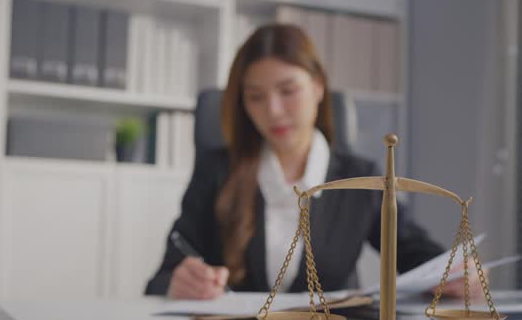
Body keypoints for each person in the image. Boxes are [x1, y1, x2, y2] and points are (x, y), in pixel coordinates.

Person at [145, 24, 476, 300]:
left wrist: (458, 273)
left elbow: (421, 257)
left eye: (288, 91)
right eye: (255, 97)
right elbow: (160, 278)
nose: (273, 110)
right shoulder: (217, 171)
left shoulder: (360, 179)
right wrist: (178, 284)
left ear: (318, 87)